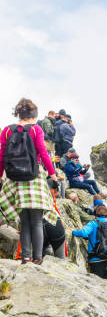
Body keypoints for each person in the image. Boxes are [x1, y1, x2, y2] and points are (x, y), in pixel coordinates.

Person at [0, 98, 58, 264]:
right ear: (33, 116)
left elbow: (2, 156)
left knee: (24, 222)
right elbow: (43, 152)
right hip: (34, 178)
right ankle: (37, 258)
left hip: (15, 179)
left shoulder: (6, 131)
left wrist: (0, 176)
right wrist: (52, 175)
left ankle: (25, 257)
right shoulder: (35, 129)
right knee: (37, 222)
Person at [72, 204, 107, 282]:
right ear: (106, 214)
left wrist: (73, 232)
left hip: (96, 260)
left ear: (95, 214)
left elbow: (83, 233)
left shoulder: (93, 224)